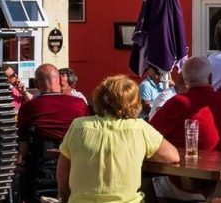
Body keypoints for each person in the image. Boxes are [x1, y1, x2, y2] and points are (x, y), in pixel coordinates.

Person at [57, 75, 180, 203]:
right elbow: (173, 156)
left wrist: (66, 199)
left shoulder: (78, 126)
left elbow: (63, 175)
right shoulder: (140, 128)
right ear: (134, 103)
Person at [150, 56, 221, 154]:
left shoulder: (178, 103)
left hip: (193, 171)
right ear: (210, 78)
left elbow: (148, 135)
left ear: (185, 82)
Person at [17, 64, 90, 203]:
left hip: (42, 165)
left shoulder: (29, 107)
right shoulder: (79, 104)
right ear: (60, 81)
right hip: (74, 163)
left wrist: (19, 161)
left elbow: (23, 141)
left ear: (37, 84)